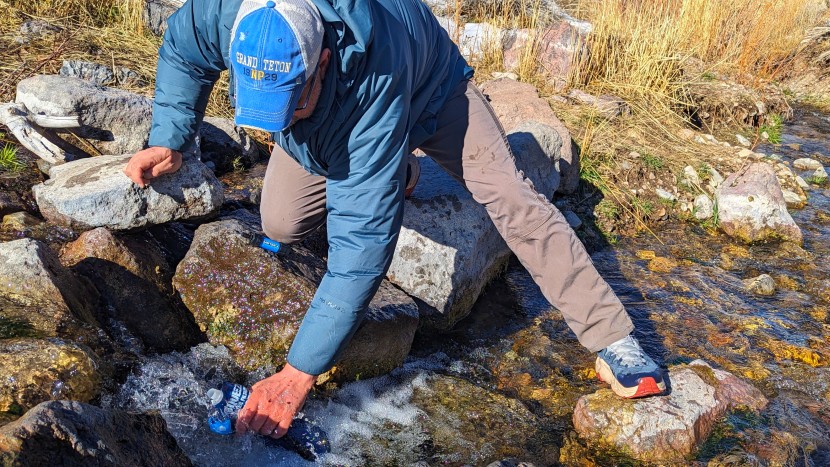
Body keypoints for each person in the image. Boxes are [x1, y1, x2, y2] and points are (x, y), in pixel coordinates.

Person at [124, 0, 666, 441]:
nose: (282, 121)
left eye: (292, 101)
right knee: (282, 222)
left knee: (509, 197)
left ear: (323, 61)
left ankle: (614, 338)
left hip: (430, 88)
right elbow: (181, 50)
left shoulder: (373, 64)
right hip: (343, 114)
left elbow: (362, 246)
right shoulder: (228, 15)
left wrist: (299, 371)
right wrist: (170, 137)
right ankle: (389, 164)